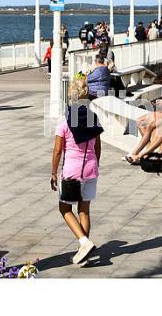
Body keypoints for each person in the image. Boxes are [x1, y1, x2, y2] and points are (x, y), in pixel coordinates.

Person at [51, 78, 103, 265]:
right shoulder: (92, 116)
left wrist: (53, 172)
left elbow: (58, 149)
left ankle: (84, 242)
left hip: (72, 170)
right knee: (84, 211)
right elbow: (97, 147)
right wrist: (95, 164)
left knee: (64, 207)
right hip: (91, 168)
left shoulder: (65, 119)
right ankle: (84, 252)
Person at [126, 73, 162, 164]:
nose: (161, 84)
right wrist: (157, 104)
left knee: (152, 126)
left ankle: (139, 153)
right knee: (140, 122)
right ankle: (148, 149)